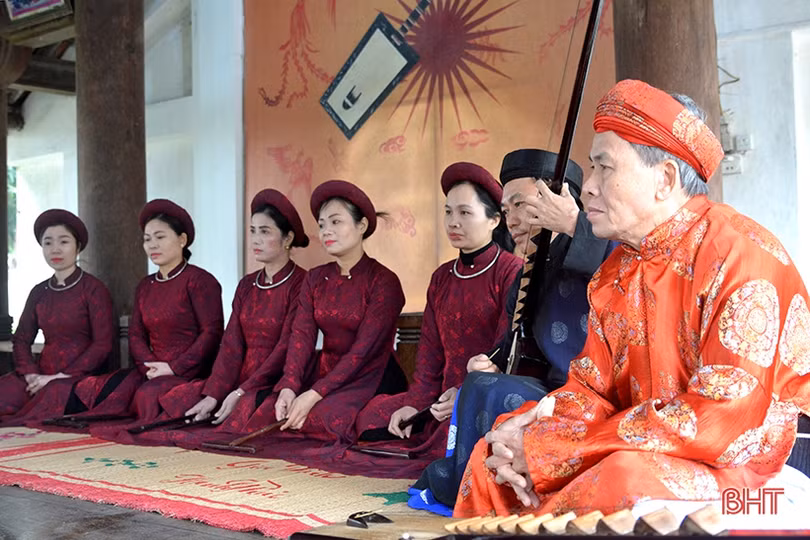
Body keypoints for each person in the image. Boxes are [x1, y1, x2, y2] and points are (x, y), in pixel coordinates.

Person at [454, 79, 810, 518]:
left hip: (753, 470)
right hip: (642, 443)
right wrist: (532, 435)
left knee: (621, 479)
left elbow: (723, 419)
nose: (587, 188)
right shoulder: (616, 270)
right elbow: (589, 390)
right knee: (497, 451)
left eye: (605, 168)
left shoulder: (742, 253)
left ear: (663, 180)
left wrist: (556, 450)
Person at [410, 150, 615, 510]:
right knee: (481, 383)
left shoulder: (604, 243)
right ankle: (477, 486)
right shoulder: (526, 274)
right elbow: (512, 346)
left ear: (561, 197)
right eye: (506, 210)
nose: (513, 220)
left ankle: (487, 491)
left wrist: (573, 225)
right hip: (552, 387)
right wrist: (489, 361)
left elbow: (625, 263)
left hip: (599, 393)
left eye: (520, 205)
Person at [354, 162, 522, 464]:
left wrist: (463, 392)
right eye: (448, 212)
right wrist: (416, 403)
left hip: (484, 394)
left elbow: (504, 351)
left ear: (495, 220)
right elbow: (429, 353)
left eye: (465, 213)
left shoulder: (510, 271)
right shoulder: (442, 277)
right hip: (438, 399)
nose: (453, 222)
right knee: (369, 417)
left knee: (451, 444)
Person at [221, 180, 407, 448]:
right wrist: (289, 386)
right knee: (268, 409)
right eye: (321, 224)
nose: (326, 231)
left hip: (371, 375)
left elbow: (363, 352)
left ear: (362, 226)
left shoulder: (383, 281)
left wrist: (314, 394)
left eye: (335, 222)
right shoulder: (316, 278)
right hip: (323, 373)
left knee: (322, 418)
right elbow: (301, 338)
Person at [123, 190, 307, 444]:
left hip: (279, 379)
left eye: (264, 232)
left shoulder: (303, 283)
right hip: (237, 379)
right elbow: (231, 344)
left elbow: (287, 346)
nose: (255, 239)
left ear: (287, 238)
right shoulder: (246, 285)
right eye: (252, 231)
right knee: (183, 404)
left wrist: (242, 390)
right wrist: (214, 393)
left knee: (247, 414)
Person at [35, 199, 224, 429]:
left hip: (189, 373)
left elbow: (211, 333)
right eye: (147, 239)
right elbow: (135, 334)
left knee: (147, 396)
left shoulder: (200, 281)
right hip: (151, 371)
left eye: (160, 237)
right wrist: (150, 366)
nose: (152, 245)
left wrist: (174, 367)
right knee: (95, 389)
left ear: (182, 240)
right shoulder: (145, 285)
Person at [0, 210, 114, 421]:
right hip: (39, 375)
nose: (55, 249)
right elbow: (22, 339)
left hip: (78, 378)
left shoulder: (93, 289)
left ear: (77, 246)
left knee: (51, 400)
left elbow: (103, 344)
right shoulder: (39, 292)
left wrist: (60, 376)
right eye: (48, 243)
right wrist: (30, 373)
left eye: (64, 241)